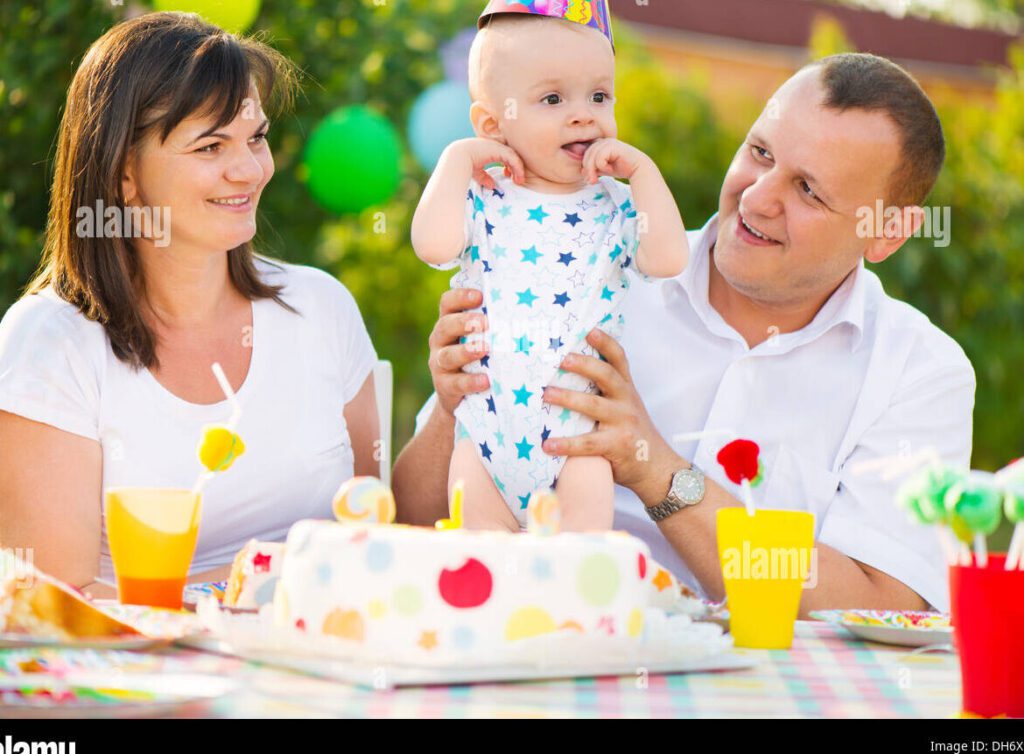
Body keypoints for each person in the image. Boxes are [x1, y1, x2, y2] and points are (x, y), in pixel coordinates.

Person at [393, 52, 975, 614]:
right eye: (760, 151)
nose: (757, 195)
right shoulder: (589, 264)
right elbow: (411, 518)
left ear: (888, 234)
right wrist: (454, 409)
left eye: (808, 191)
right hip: (551, 657)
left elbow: (882, 603)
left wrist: (653, 468)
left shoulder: (919, 373)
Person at [0, 12, 380, 597]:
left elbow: (386, 530)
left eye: (255, 137)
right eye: (211, 145)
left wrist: (450, 408)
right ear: (125, 174)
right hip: (149, 681)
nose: (249, 169)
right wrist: (271, 583)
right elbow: (52, 603)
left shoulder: (320, 307)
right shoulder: (50, 343)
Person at [410, 2, 687, 532]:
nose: (584, 114)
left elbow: (668, 259)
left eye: (600, 96)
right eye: (553, 98)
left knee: (578, 570)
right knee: (489, 569)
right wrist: (456, 161)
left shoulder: (616, 204)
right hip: (484, 435)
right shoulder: (483, 196)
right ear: (494, 123)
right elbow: (433, 246)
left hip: (578, 439)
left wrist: (645, 173)